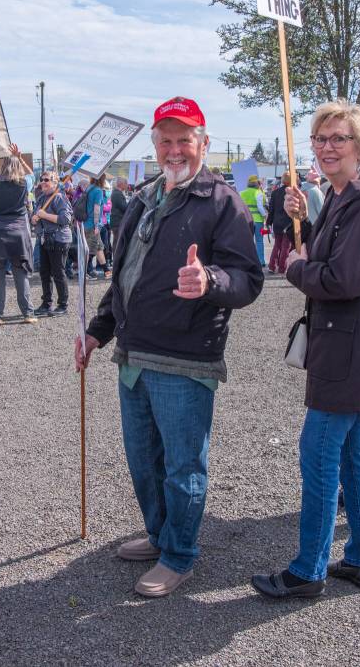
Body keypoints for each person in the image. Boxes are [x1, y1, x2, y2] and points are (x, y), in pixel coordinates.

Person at [76, 96, 263, 598]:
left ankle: (179, 555)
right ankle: (160, 536)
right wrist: (97, 332)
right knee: (144, 461)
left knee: (183, 466)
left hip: (185, 357)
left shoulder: (222, 202)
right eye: (166, 141)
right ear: (154, 145)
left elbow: (248, 279)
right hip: (133, 355)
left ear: (204, 142)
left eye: (185, 140)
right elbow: (125, 276)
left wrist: (209, 280)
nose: (175, 149)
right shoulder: (143, 198)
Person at [253, 100, 360, 599]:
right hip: (351, 343)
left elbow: (344, 278)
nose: (326, 147)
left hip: (355, 348)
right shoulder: (346, 193)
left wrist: (297, 268)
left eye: (339, 138)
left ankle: (308, 570)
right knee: (354, 455)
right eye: (320, 138)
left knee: (318, 452)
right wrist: (306, 221)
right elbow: (336, 252)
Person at [0, 148, 36, 324]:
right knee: (20, 273)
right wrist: (20, 158)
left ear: (2, 168)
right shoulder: (24, 183)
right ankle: (28, 313)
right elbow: (32, 175)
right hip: (18, 233)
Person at [32, 171, 72, 316]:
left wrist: (45, 215)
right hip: (45, 239)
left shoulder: (59, 197)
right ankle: (46, 303)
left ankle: (63, 305)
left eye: (47, 180)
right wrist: (34, 219)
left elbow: (65, 219)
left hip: (59, 239)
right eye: (42, 180)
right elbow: (35, 216)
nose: (43, 182)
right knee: (44, 273)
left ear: (55, 183)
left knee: (58, 273)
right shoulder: (41, 198)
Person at [266, 172, 294, 274]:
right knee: (286, 246)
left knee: (277, 245)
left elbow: (271, 210)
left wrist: (269, 222)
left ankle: (272, 266)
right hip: (289, 223)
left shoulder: (275, 192)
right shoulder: (293, 192)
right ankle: (282, 268)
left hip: (277, 222)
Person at [239, 175, 267, 267]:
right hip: (258, 221)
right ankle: (261, 261)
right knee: (259, 241)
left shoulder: (242, 193)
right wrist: (265, 215)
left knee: (247, 241)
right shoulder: (259, 193)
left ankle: (246, 260)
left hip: (246, 220)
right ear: (257, 183)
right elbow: (260, 207)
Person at [109, 176, 129, 255]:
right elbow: (124, 207)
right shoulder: (117, 194)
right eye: (126, 183)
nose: (127, 185)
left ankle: (115, 258)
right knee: (117, 242)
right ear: (121, 184)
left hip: (116, 221)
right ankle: (115, 259)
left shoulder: (116, 193)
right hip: (118, 222)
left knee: (116, 241)